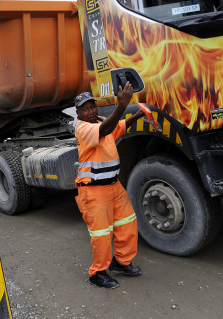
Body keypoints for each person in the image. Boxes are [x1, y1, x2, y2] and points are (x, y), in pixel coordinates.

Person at [74, 81, 145, 289]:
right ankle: (97, 273)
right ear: (78, 113)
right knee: (102, 235)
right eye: (85, 109)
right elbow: (105, 129)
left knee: (128, 224)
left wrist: (141, 113)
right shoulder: (83, 128)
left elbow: (119, 127)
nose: (90, 111)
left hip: (114, 186)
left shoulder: (102, 120)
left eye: (92, 106)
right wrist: (121, 105)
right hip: (94, 190)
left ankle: (121, 262)